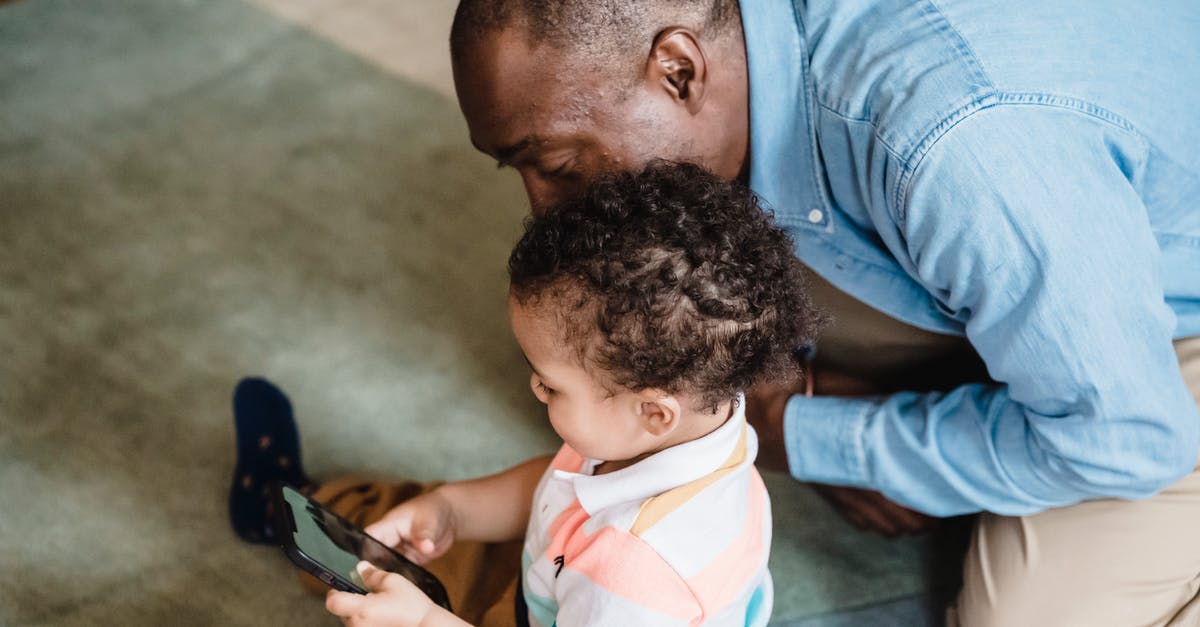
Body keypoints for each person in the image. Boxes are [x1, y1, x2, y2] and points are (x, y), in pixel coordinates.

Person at [443, 0, 1200, 624]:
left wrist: (806, 430)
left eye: (559, 166)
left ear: (679, 70)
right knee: (583, 359)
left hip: (1163, 334)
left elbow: (1128, 435)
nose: (542, 212)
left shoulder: (959, 155)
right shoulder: (753, 61)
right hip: (1040, 232)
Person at [231, 163, 824, 626]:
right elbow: (560, 485)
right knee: (383, 530)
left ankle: (282, 513)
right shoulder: (689, 425)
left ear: (652, 411)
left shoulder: (637, 575)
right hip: (547, 581)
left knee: (385, 588)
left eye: (550, 383)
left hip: (565, 601)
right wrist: (453, 507)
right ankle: (306, 511)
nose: (533, 387)